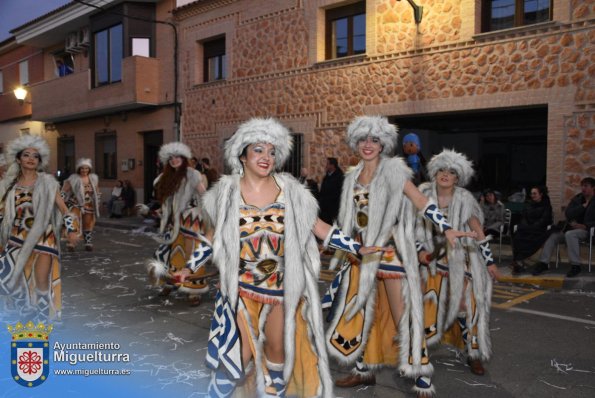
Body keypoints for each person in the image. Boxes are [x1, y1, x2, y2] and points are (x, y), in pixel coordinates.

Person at [175, 118, 379, 397]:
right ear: (242, 155)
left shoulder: (291, 190)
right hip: (241, 289)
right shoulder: (226, 192)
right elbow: (213, 238)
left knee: (277, 352)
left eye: (272, 152)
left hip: (279, 288)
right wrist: (190, 266)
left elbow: (318, 227)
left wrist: (355, 247)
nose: (266, 157)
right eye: (258, 150)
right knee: (238, 356)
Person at [323, 117, 471, 397]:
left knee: (402, 316)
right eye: (364, 139)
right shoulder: (352, 176)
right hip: (363, 257)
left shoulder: (393, 171)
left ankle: (423, 375)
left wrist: (447, 227)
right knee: (367, 315)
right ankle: (365, 370)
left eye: (375, 140)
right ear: (356, 142)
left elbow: (421, 202)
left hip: (390, 254)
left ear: (383, 144)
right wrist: (345, 242)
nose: (368, 145)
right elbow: (353, 218)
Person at [417, 149, 500, 378]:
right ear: (435, 173)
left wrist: (489, 261)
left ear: (457, 177)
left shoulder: (465, 199)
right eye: (442, 170)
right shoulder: (423, 195)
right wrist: (419, 251)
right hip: (430, 262)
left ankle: (473, 354)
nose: (446, 174)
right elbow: (411, 228)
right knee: (427, 307)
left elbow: (478, 231)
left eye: (451, 172)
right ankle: (418, 355)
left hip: (460, 260)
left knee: (467, 307)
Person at [0, 135, 78, 322]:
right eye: (26, 155)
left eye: (35, 156)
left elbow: (64, 209)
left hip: (44, 237)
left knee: (42, 281)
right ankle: (25, 307)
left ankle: (42, 321)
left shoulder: (48, 183)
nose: (31, 159)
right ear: (18, 159)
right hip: (17, 236)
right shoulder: (8, 184)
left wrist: (71, 229)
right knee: (6, 278)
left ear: (39, 161)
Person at [146, 142, 209, 307]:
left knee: (191, 254)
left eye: (177, 157)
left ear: (184, 158)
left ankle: (194, 291)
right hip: (171, 222)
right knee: (171, 254)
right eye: (171, 158)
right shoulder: (165, 178)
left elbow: (205, 196)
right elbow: (166, 201)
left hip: (190, 220)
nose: (174, 160)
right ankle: (172, 282)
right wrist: (158, 210)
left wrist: (205, 215)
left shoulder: (192, 175)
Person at [532, 177, 595, 277]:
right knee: (552, 235)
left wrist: (586, 226)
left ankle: (575, 265)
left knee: (570, 235)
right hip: (570, 228)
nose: (583, 188)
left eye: (586, 186)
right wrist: (582, 206)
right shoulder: (578, 199)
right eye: (582, 186)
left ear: (593, 188)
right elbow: (568, 213)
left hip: (587, 231)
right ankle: (544, 263)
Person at [510, 185, 553, 274]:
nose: (532, 195)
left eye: (535, 193)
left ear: (541, 194)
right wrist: (526, 226)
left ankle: (523, 262)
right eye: (531, 193)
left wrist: (533, 227)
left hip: (539, 229)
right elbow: (524, 217)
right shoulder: (529, 205)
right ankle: (518, 262)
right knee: (517, 237)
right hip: (527, 228)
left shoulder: (546, 206)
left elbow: (544, 220)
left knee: (533, 238)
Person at [61, 158, 100, 252]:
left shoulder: (93, 179)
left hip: (89, 204)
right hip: (75, 204)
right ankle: (71, 243)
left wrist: (97, 200)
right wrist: (60, 200)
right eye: (82, 168)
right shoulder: (73, 179)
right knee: (73, 224)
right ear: (79, 169)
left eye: (86, 168)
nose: (84, 170)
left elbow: (97, 191)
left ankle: (88, 243)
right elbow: (64, 191)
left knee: (88, 224)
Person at [318, 157, 344, 224]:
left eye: (327, 164)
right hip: (324, 210)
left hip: (333, 210)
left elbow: (338, 194)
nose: (326, 166)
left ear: (332, 165)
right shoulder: (327, 177)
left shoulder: (339, 177)